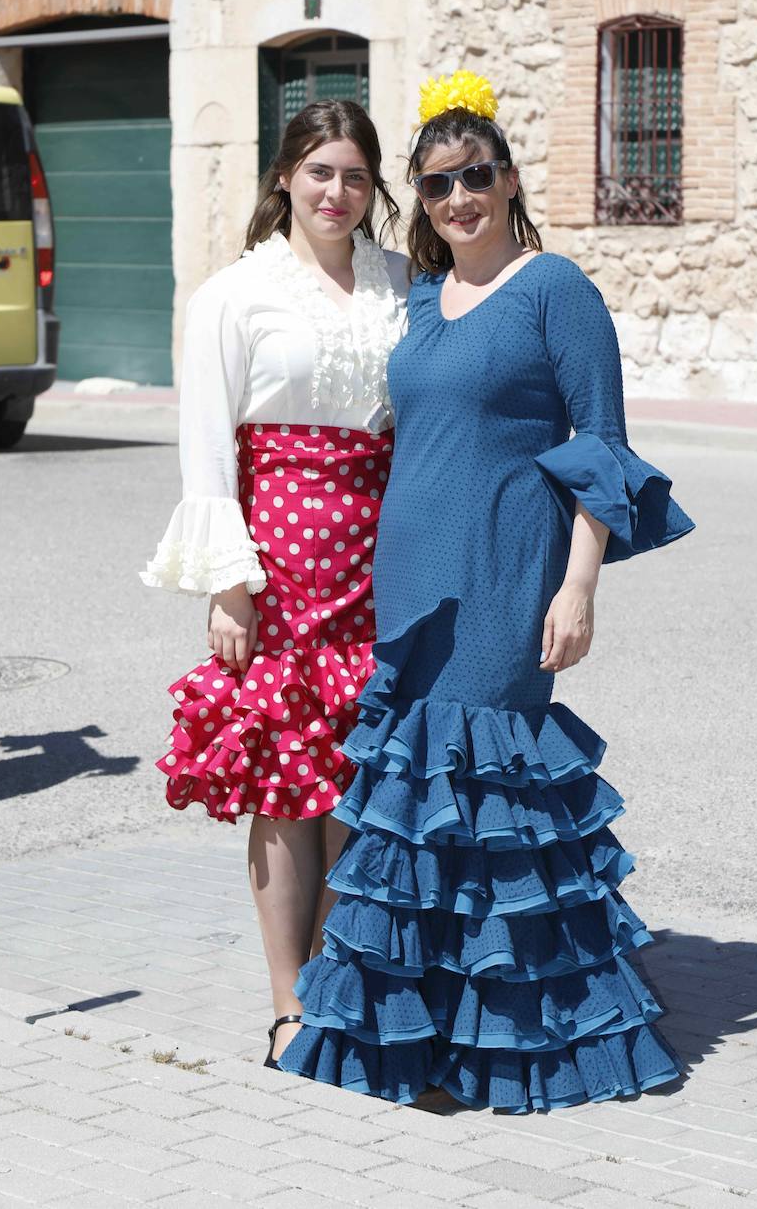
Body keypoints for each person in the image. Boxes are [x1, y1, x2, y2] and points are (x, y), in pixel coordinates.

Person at [278, 72, 695, 1111]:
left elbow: (599, 445)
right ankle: (417, 1041)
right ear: (418, 200)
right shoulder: (420, 300)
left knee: (491, 799)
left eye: (473, 176)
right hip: (410, 573)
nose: (456, 198)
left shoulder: (556, 289)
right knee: (415, 810)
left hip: (508, 573)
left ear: (508, 180)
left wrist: (580, 586)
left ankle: (515, 1042)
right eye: (434, 185)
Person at [141, 100, 409, 1066]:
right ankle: (290, 999)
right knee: (288, 784)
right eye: (319, 171)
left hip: (389, 558)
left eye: (353, 175)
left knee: (364, 780)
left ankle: (347, 974)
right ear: (284, 179)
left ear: (373, 187)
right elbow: (208, 450)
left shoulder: (401, 284)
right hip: (285, 565)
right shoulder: (234, 295)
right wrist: (229, 585)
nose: (336, 192)